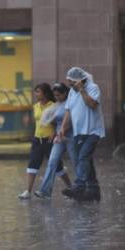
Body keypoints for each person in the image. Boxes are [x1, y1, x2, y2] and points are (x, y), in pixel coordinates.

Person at [18, 83, 71, 199]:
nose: (36, 94)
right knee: (32, 164)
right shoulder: (36, 106)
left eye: (38, 91)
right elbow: (38, 121)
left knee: (57, 167)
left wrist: (54, 132)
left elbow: (57, 122)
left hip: (49, 139)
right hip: (37, 139)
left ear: (45, 93)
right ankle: (28, 191)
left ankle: (70, 186)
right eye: (35, 91)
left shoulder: (54, 105)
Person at [59, 67, 105, 202]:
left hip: (93, 131)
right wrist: (63, 128)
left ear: (80, 81)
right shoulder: (72, 93)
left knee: (83, 157)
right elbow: (68, 110)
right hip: (79, 132)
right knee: (87, 160)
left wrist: (81, 90)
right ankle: (93, 190)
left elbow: (92, 104)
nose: (70, 85)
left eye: (72, 82)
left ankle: (78, 186)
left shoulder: (93, 87)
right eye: (69, 82)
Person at [34, 83, 75, 199]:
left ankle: (80, 186)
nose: (57, 97)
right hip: (59, 137)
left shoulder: (70, 104)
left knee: (75, 162)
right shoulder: (57, 105)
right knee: (52, 162)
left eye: (58, 95)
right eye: (55, 95)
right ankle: (45, 191)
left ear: (65, 93)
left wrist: (62, 129)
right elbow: (54, 121)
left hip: (70, 137)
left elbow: (70, 121)